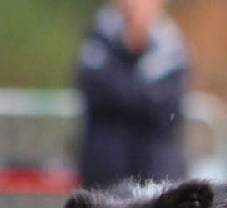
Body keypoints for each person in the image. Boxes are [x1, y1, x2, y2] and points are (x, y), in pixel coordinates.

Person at [75, 0, 189, 189]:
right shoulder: (96, 40)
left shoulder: (172, 49)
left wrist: (121, 91)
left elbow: (166, 111)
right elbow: (97, 95)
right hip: (105, 173)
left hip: (157, 174)